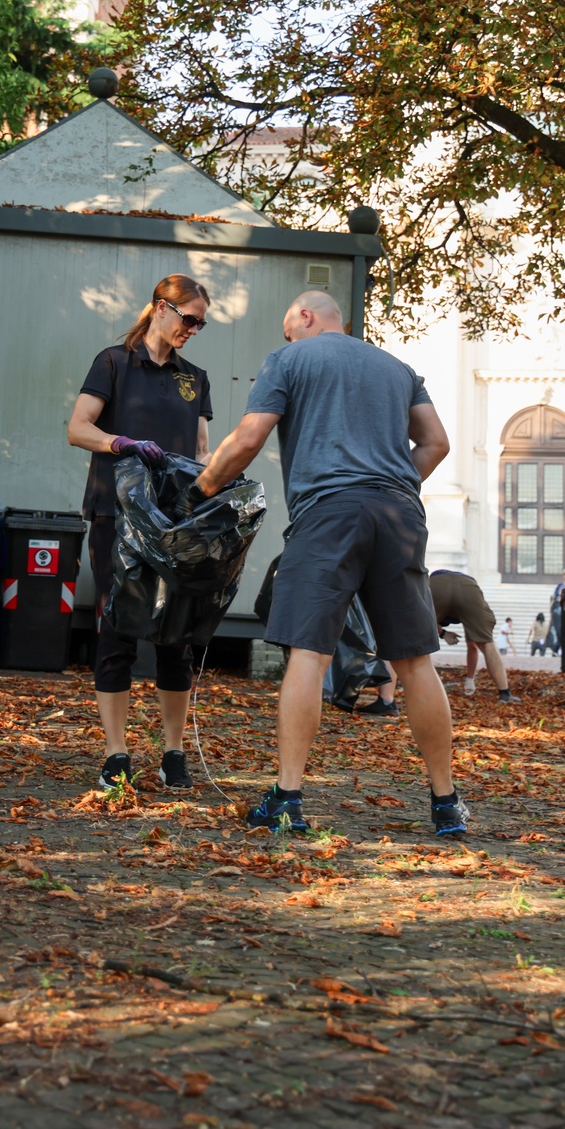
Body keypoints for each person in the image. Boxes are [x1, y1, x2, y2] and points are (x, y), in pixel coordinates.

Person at [181, 290, 469, 838]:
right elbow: (436, 444)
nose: (288, 338)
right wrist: (395, 484)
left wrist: (200, 491)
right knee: (414, 661)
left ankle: (287, 798)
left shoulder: (289, 359)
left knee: (308, 656)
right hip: (400, 516)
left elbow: (248, 439)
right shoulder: (398, 368)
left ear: (306, 318)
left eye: (290, 329)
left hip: (329, 514)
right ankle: (446, 804)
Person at [67, 275, 212, 793]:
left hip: (174, 526)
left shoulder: (194, 379)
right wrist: (120, 443)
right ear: (159, 308)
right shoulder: (112, 362)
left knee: (176, 637)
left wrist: (214, 492)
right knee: (117, 632)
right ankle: (116, 755)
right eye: (188, 318)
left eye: (200, 322)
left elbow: (200, 453)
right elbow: (78, 427)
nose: (194, 329)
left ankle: (173, 755)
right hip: (116, 516)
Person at [429, 571, 521, 702]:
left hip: (438, 583)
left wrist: (443, 633)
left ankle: (414, 687)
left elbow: (425, 622)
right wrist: (469, 679)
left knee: (418, 634)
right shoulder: (467, 610)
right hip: (468, 587)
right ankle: (504, 693)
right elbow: (473, 645)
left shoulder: (437, 614)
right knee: (487, 644)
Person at [549, 568, 565, 652]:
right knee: (560, 630)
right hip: (561, 612)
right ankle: (560, 648)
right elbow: (555, 600)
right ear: (564, 576)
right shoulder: (559, 587)